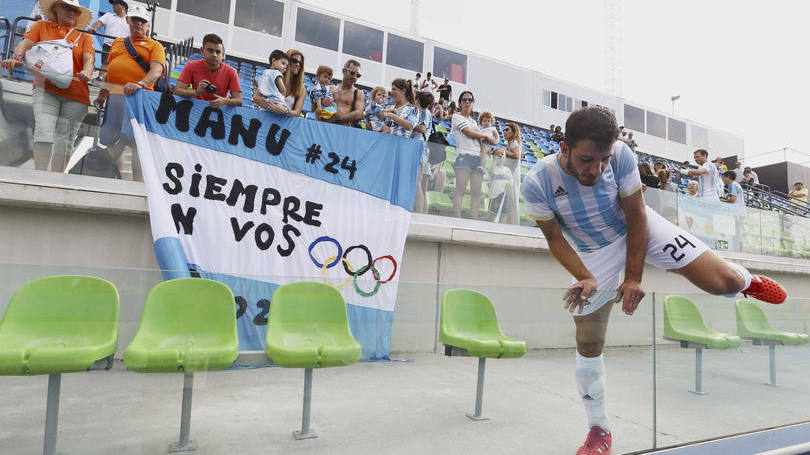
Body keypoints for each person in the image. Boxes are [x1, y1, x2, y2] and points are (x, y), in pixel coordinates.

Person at [520, 106, 787, 455]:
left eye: (603, 160)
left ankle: (746, 281)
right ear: (564, 148)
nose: (597, 170)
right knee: (588, 344)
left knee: (724, 283)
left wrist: (633, 278)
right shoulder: (537, 181)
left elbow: (636, 215)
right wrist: (584, 275)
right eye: (588, 160)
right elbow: (555, 239)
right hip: (593, 253)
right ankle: (599, 431)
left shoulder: (621, 157)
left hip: (639, 227)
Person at [2, 0, 94, 172]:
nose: (72, 12)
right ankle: (41, 176)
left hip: (76, 95)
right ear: (56, 9)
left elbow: (89, 60)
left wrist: (88, 72)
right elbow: (24, 45)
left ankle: (56, 179)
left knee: (64, 141)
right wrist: (16, 58)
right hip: (45, 89)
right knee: (44, 132)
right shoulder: (41, 27)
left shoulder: (85, 37)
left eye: (75, 10)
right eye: (67, 8)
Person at [94, 4, 166, 181]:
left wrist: (140, 83)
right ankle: (114, 177)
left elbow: (156, 71)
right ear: (128, 20)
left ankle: (137, 184)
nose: (139, 24)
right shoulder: (118, 43)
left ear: (148, 25)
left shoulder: (155, 46)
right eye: (135, 20)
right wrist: (102, 93)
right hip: (115, 98)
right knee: (110, 139)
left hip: (138, 100)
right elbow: (111, 70)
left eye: (143, 21)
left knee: (136, 144)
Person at [451, 90, 496, 219]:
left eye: (469, 100)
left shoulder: (474, 122)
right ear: (460, 103)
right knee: (461, 190)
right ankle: (457, 220)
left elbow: (479, 138)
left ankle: (474, 220)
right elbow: (468, 133)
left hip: (477, 158)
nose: (467, 102)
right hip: (464, 156)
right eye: (464, 100)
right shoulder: (456, 116)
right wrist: (486, 135)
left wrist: (489, 139)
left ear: (472, 103)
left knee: (476, 192)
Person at [173, 33, 242, 108]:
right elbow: (177, 91)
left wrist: (225, 101)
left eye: (218, 52)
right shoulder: (191, 66)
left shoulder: (231, 72)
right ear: (202, 51)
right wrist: (196, 92)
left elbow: (239, 101)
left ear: (222, 55)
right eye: (210, 50)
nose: (214, 55)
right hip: (195, 108)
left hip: (219, 111)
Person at [252, 48, 306, 116]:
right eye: (294, 61)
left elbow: (297, 112)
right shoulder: (273, 76)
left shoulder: (301, 88)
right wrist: (271, 107)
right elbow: (256, 97)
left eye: (300, 63)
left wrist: (284, 111)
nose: (298, 64)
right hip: (264, 117)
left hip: (283, 124)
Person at [88, 0, 130, 80]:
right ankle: (100, 79)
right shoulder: (108, 15)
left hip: (123, 47)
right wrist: (94, 28)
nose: (113, 5)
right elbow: (98, 23)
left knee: (119, 66)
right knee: (105, 63)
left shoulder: (130, 20)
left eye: (115, 3)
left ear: (123, 6)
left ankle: (111, 80)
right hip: (108, 45)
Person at [411, 91, 434, 214]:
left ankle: (418, 213)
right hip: (423, 148)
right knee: (422, 187)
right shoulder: (424, 112)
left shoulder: (425, 112)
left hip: (419, 147)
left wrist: (406, 123)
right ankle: (423, 214)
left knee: (417, 183)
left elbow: (422, 128)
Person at [327, 60, 366, 127]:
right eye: (352, 73)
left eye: (358, 75)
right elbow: (315, 108)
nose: (355, 77)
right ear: (344, 71)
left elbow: (359, 114)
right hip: (325, 128)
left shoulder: (358, 93)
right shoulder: (331, 89)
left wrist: (337, 119)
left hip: (343, 131)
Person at [500, 122, 523, 224]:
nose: (504, 131)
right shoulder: (509, 144)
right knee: (508, 203)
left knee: (512, 202)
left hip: (513, 178)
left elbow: (517, 155)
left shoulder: (515, 143)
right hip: (508, 177)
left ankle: (513, 226)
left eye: (507, 130)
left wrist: (503, 152)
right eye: (504, 130)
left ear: (513, 132)